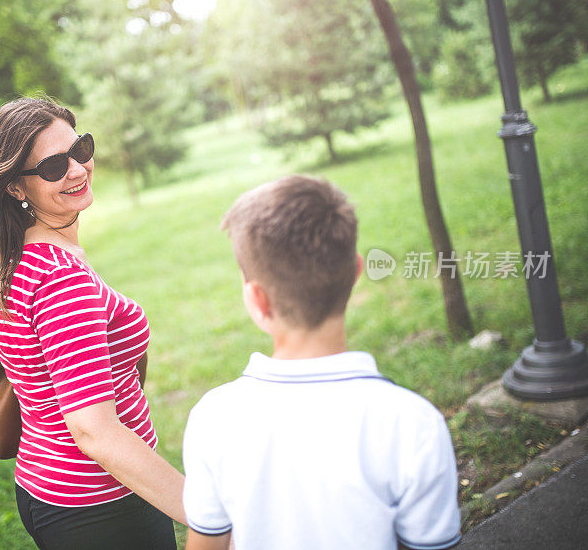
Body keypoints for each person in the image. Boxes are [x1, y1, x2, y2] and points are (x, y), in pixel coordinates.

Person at [0, 97, 183, 549]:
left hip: (40, 487)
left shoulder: (1, 258)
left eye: (81, 149)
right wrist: (202, 511)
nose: (76, 169)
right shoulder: (58, 277)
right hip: (102, 503)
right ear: (16, 187)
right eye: (52, 166)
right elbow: (95, 430)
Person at [182, 175, 461, 550]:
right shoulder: (415, 424)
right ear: (356, 272)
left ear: (258, 300)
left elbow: (208, 543)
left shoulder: (212, 417)